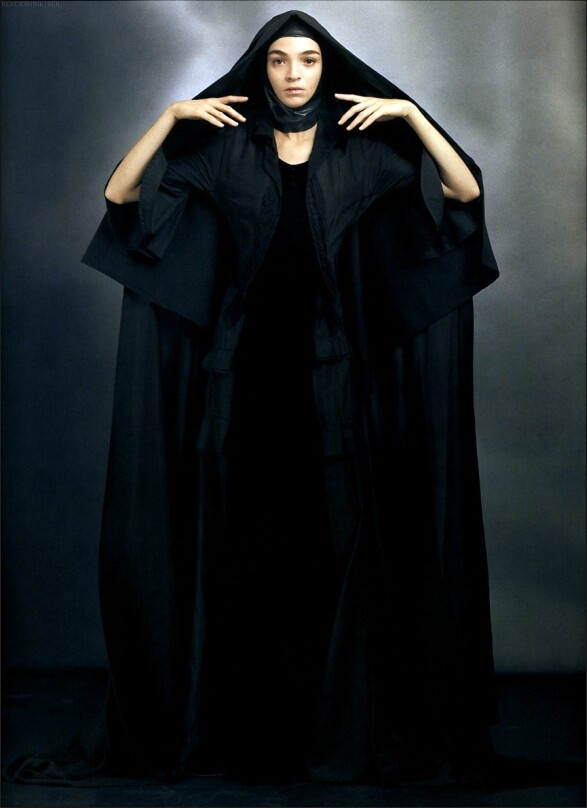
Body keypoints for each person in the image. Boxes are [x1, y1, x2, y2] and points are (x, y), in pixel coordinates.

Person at [5, 9, 499, 786]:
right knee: (246, 554)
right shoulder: (226, 151)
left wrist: (410, 115)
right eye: (278, 60)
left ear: (326, 70)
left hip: (329, 382)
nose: (294, 74)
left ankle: (328, 730)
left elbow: (462, 192)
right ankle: (249, 734)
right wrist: (171, 117)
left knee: (329, 553)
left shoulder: (363, 152)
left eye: (308, 60)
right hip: (241, 382)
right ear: (260, 69)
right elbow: (121, 197)